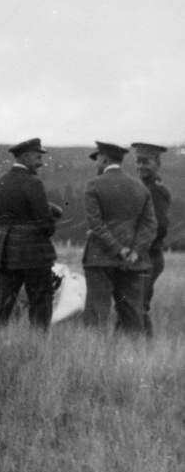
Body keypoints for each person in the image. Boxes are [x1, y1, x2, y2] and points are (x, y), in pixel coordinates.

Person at [0, 138, 60, 329]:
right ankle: (38, 344)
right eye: (37, 157)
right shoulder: (33, 183)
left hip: (7, 254)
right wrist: (52, 221)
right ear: (25, 157)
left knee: (2, 301)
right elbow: (45, 225)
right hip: (35, 255)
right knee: (40, 300)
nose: (41, 162)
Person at [82, 142, 156, 335]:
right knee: (132, 313)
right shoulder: (140, 187)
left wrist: (117, 248)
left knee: (96, 314)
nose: (95, 164)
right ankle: (135, 356)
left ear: (105, 159)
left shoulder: (93, 185)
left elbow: (96, 225)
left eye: (97, 159)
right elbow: (149, 225)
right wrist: (135, 251)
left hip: (100, 258)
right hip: (132, 261)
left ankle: (92, 359)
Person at [132, 142, 171, 337]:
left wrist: (139, 247)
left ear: (157, 163)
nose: (140, 166)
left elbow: (160, 227)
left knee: (137, 304)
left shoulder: (155, 190)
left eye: (145, 162)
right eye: (138, 161)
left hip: (149, 256)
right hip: (145, 254)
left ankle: (142, 350)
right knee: (135, 303)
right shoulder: (145, 187)